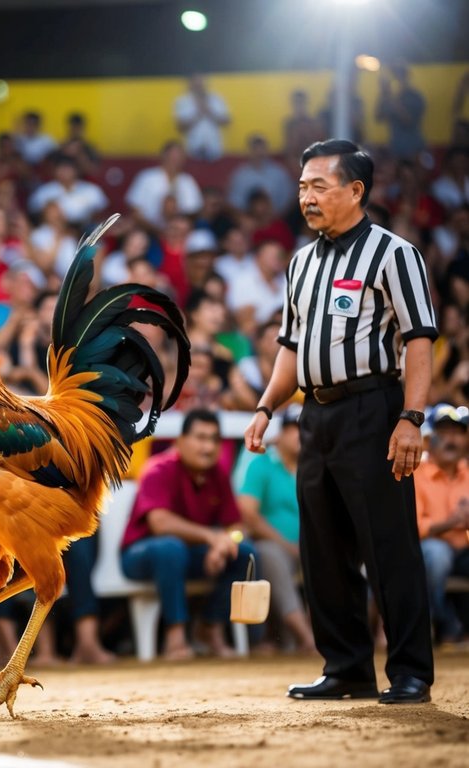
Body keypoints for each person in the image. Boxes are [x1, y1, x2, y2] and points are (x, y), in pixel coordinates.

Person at [245, 139, 438, 704]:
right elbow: (290, 347)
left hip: (373, 410)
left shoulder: (394, 253)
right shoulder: (300, 263)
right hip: (315, 415)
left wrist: (411, 417)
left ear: (355, 191)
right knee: (323, 548)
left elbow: (419, 339)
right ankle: (347, 667)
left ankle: (411, 672)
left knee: (388, 545)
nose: (306, 197)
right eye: (302, 186)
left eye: (319, 186)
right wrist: (265, 407)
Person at [121, 409, 255, 660]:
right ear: (180, 441)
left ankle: (210, 626)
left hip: (191, 554)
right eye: (201, 438)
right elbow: (159, 523)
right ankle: (175, 637)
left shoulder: (218, 474)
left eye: (214, 439)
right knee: (170, 548)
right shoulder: (158, 468)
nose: (208, 447)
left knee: (244, 553)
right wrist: (211, 537)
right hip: (140, 556)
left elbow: (238, 527)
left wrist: (225, 543)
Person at [235, 405, 316, 654]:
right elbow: (248, 514)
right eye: (294, 428)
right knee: (271, 555)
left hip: (308, 546)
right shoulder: (261, 463)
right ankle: (306, 639)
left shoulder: (314, 466)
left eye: (305, 428)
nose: (300, 434)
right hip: (273, 545)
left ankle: (328, 634)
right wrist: (287, 545)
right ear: (280, 433)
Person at [413, 405, 469, 644]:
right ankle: (441, 625)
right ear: (429, 439)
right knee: (438, 554)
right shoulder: (416, 472)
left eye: (457, 433)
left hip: (463, 550)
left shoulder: (467, 472)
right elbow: (414, 527)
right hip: (426, 551)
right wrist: (450, 523)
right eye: (444, 432)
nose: (452, 440)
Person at [125, 141, 203, 228]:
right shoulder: (147, 177)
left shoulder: (187, 180)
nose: (175, 160)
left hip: (181, 231)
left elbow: (193, 211)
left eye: (179, 157)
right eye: (172, 156)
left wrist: (176, 224)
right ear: (163, 156)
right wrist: (158, 231)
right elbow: (135, 211)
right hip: (148, 230)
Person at [227, 134, 295, 215]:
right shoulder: (240, 175)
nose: (259, 153)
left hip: (276, 217)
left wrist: (276, 217)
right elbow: (235, 203)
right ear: (249, 152)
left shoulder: (279, 172)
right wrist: (245, 219)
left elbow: (288, 199)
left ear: (267, 151)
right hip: (248, 218)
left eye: (262, 149)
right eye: (255, 149)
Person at [376, 62, 426, 161]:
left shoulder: (415, 97)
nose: (396, 79)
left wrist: (391, 98)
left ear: (406, 77)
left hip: (414, 148)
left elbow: (408, 121)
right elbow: (378, 117)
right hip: (395, 149)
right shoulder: (390, 98)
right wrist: (383, 94)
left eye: (398, 75)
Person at [174, 74, 230, 161]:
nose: (199, 87)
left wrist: (209, 112)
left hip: (214, 149)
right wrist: (198, 114)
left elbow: (226, 122)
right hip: (193, 149)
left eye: (201, 84)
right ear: (190, 84)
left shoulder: (216, 99)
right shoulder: (182, 101)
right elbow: (180, 127)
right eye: (196, 84)